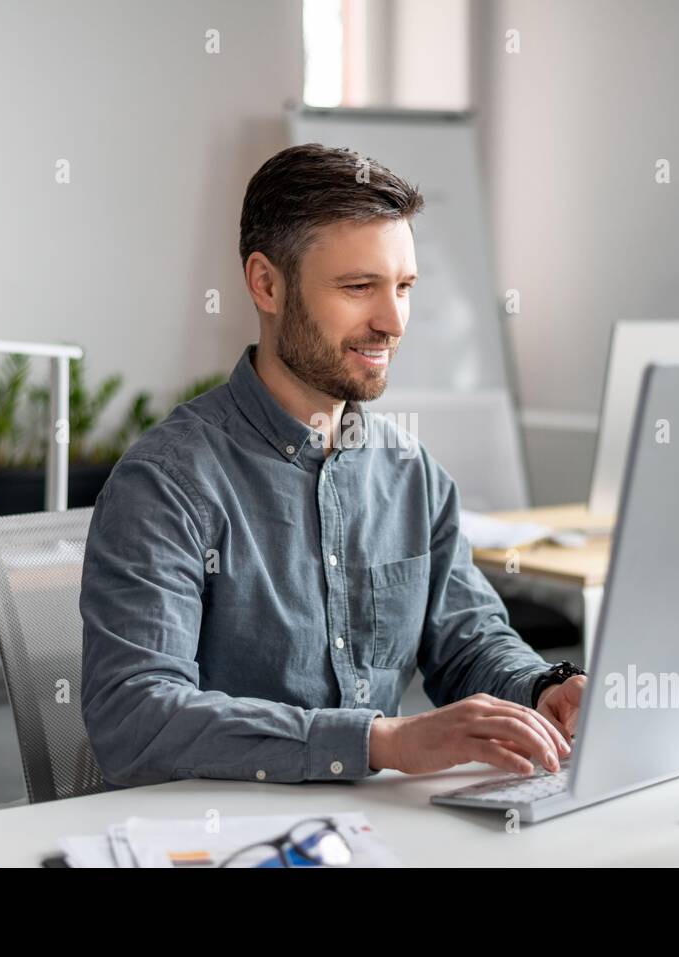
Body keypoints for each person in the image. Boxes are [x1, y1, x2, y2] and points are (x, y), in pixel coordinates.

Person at [80, 143, 587, 787]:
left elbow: (469, 641)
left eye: (403, 287)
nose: (392, 320)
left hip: (374, 833)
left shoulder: (413, 475)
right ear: (266, 283)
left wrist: (542, 689)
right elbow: (137, 717)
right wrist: (380, 742)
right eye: (358, 288)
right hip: (223, 838)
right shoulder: (166, 483)